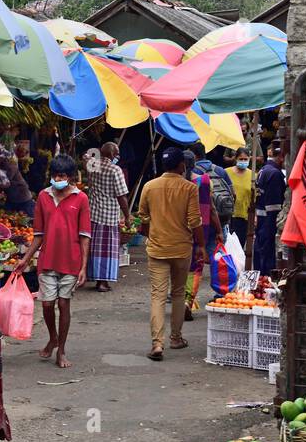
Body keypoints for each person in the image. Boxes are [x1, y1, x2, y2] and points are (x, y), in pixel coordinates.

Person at [15, 154, 90, 368]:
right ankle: (53, 337)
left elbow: (85, 234)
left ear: (71, 177)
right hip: (47, 259)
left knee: (64, 303)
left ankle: (62, 350)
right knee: (47, 304)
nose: (59, 178)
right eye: (56, 175)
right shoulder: (43, 197)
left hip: (71, 260)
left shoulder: (81, 198)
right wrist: (25, 259)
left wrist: (84, 266)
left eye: (63, 175)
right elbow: (39, 233)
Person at [137, 146, 202, 361]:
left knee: (157, 295)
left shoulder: (149, 186)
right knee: (177, 292)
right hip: (181, 248)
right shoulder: (189, 188)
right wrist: (201, 246)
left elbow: (142, 218)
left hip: (157, 248)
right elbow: (195, 221)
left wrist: (150, 234)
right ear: (182, 166)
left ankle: (157, 343)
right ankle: (175, 337)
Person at [84, 142, 130, 292]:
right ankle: (102, 282)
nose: (117, 156)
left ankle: (92, 277)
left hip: (92, 213)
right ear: (111, 155)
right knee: (106, 251)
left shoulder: (92, 165)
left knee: (93, 248)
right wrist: (127, 216)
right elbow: (122, 196)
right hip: (108, 215)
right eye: (116, 153)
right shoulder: (115, 169)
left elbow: (87, 154)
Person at [185, 151, 224, 319]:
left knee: (180, 265)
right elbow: (212, 208)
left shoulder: (173, 183)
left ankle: (181, 298)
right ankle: (188, 300)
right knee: (196, 266)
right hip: (201, 228)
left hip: (177, 228)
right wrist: (220, 230)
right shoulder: (204, 181)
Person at [254, 144, 286, 273]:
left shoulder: (263, 170)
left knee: (260, 250)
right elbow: (274, 206)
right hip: (269, 220)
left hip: (261, 218)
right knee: (267, 254)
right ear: (281, 157)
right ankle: (265, 278)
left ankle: (259, 277)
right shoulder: (275, 174)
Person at [227, 147, 257, 249]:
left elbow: (255, 197)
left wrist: (255, 215)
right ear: (235, 159)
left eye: (245, 159)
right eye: (241, 159)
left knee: (239, 246)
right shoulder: (226, 173)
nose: (243, 161)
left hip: (245, 216)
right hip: (229, 215)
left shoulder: (253, 175)